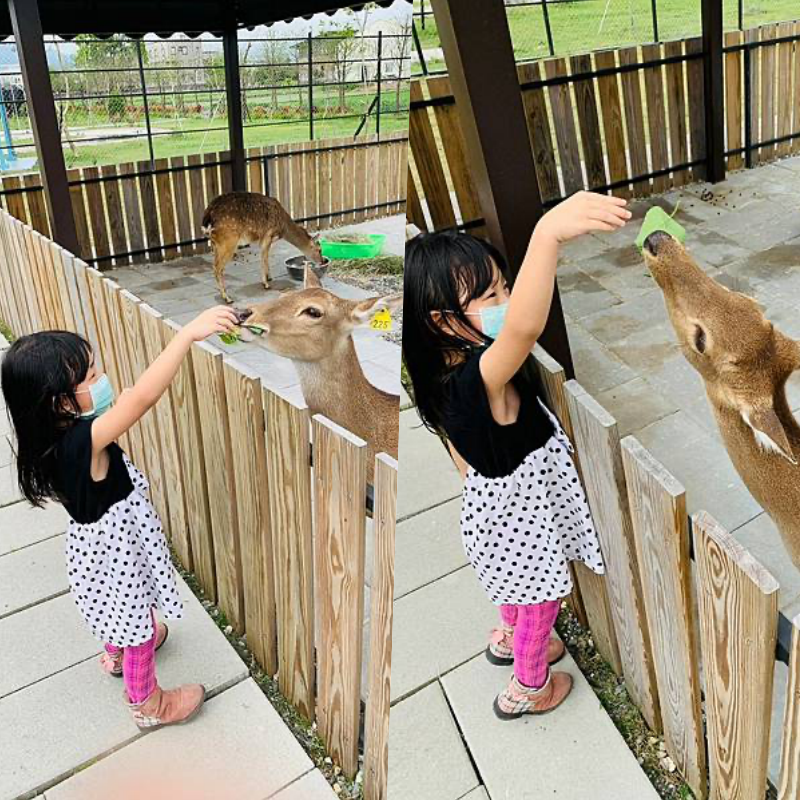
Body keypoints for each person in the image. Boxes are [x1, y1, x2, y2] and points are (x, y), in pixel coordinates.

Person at [403, 191, 631, 718]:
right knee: (541, 598)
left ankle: (512, 638)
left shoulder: (438, 375)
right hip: (520, 519)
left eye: (506, 286)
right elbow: (526, 327)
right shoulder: (478, 377)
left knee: (515, 588)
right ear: (440, 320)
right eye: (491, 295)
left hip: (491, 513)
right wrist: (547, 233)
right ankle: (530, 685)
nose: (507, 300)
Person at [1, 305, 239, 729]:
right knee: (138, 627)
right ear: (60, 402)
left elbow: (126, 400)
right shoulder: (84, 442)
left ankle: (116, 654)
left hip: (96, 549)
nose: (102, 378)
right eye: (91, 377)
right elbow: (142, 397)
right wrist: (186, 336)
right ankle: (148, 703)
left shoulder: (49, 439)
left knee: (119, 609)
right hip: (118, 552)